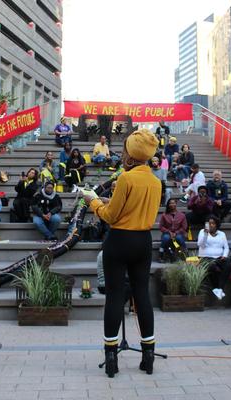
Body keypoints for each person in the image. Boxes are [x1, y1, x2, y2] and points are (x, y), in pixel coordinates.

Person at [83, 128, 161, 378]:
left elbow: (112, 216)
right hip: (143, 241)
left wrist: (93, 202)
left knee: (115, 297)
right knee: (142, 296)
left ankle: (111, 357)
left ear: (130, 152)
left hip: (119, 241)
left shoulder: (126, 178)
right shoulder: (156, 181)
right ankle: (148, 356)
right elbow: (134, 208)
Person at [198, 215, 231, 300]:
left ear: (216, 224)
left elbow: (226, 247)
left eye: (213, 223)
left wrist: (224, 255)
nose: (211, 225)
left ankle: (220, 288)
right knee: (212, 266)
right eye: (209, 223)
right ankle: (216, 288)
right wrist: (205, 234)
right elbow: (201, 244)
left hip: (219, 258)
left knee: (228, 263)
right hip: (206, 257)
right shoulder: (202, 232)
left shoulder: (222, 234)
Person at [158, 198, 187, 263]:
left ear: (176, 204)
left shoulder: (182, 215)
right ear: (168, 205)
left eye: (173, 203)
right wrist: (169, 232)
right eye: (170, 203)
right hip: (167, 233)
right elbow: (161, 226)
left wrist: (176, 233)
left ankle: (184, 254)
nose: (172, 204)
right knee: (165, 238)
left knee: (179, 238)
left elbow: (184, 227)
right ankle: (161, 255)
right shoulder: (164, 215)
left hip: (178, 233)